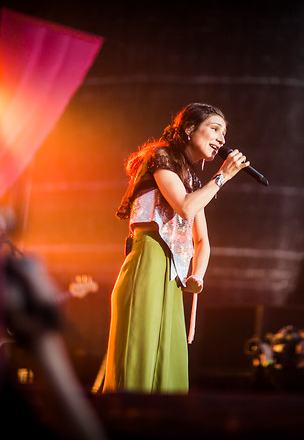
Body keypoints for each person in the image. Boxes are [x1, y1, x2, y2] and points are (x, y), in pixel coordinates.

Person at [102, 103, 249, 393]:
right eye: (215, 129)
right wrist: (221, 177)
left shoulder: (192, 178)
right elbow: (185, 207)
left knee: (167, 361)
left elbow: (202, 240)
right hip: (149, 258)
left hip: (174, 274)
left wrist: (199, 275)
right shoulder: (161, 157)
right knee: (139, 353)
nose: (221, 139)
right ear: (189, 128)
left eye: (224, 133)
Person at [250, 325, 304, 393]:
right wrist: (259, 365)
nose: (300, 344)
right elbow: (260, 387)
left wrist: (268, 363)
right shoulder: (290, 365)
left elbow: (286, 386)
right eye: (299, 340)